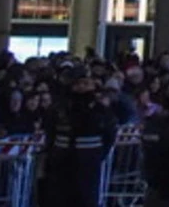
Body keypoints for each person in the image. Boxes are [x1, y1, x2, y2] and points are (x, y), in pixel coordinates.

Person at [41, 67, 116, 207]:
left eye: (86, 83)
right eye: (78, 83)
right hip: (62, 161)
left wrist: (97, 155)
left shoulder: (100, 110)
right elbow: (50, 132)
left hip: (88, 162)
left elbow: (109, 135)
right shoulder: (59, 108)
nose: (81, 87)